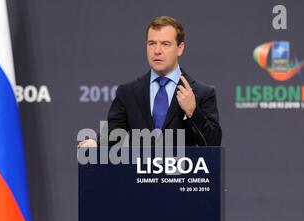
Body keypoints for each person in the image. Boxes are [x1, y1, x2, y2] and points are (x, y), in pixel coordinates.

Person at [79, 16, 221, 147]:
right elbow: (114, 134)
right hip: (140, 174)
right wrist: (96, 143)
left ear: (180, 48)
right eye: (152, 43)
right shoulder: (128, 93)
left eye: (165, 44)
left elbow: (213, 144)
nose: (157, 51)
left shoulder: (202, 93)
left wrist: (192, 112)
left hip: (183, 172)